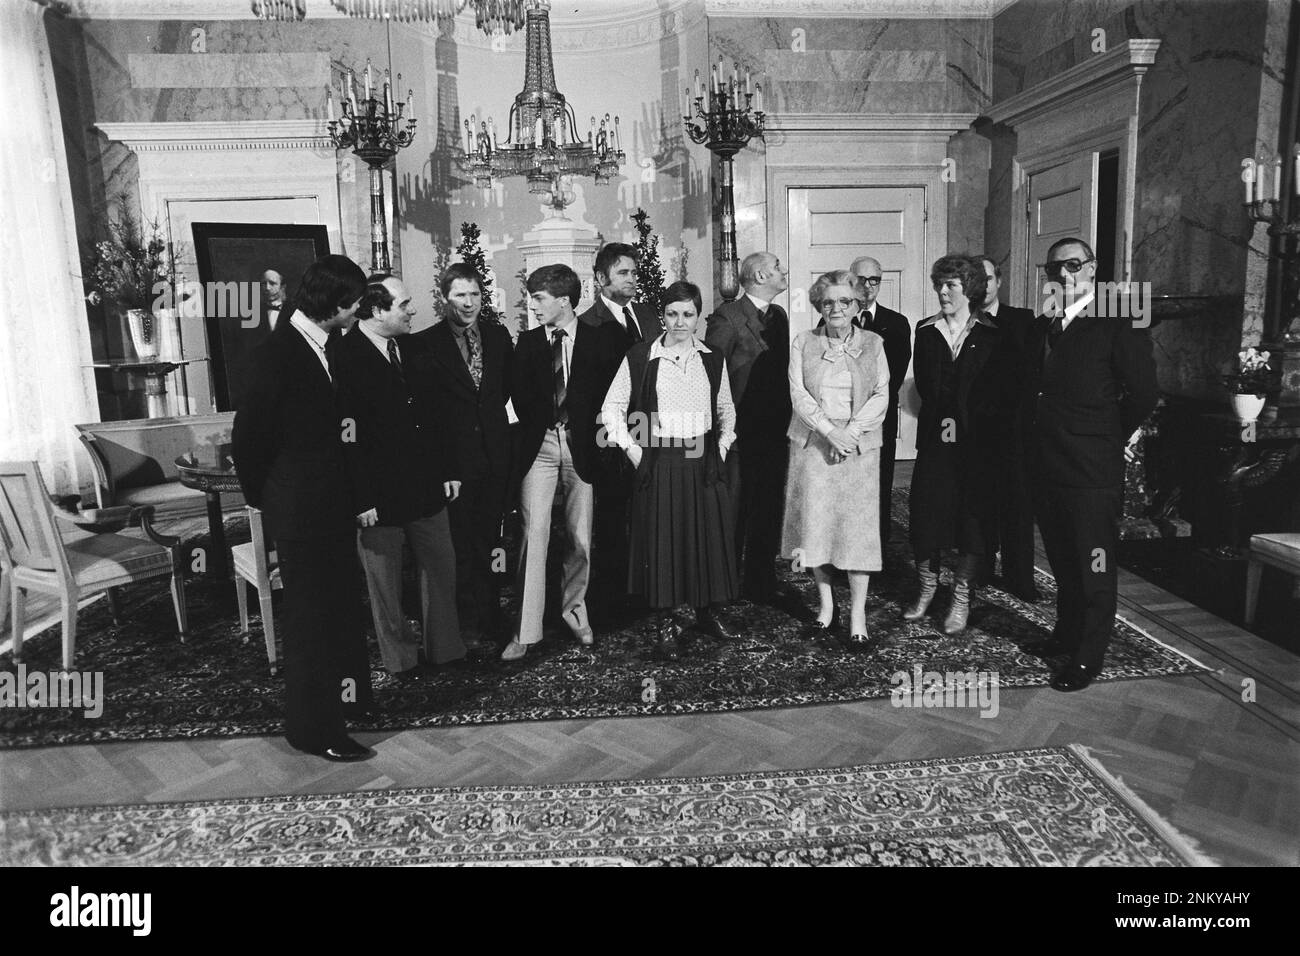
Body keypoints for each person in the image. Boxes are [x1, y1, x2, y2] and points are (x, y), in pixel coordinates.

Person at [231, 254, 374, 762]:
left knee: (339, 612)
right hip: (299, 510)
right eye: (354, 305)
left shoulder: (326, 344)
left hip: (329, 506)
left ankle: (351, 704)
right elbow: (247, 443)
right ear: (334, 305)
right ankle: (314, 731)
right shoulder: (277, 355)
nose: (359, 312)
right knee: (312, 622)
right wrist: (271, 499)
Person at [1023, 237, 1157, 691]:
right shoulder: (1046, 324)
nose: (1064, 275)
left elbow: (1143, 393)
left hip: (1091, 467)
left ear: (1093, 268)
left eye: (1074, 265)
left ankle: (1088, 654)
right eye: (1055, 268)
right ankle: (1065, 633)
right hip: (1047, 462)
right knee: (1062, 555)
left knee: (1094, 562)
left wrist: (1106, 436)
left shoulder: (1119, 319)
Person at [334, 274, 465, 681]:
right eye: (404, 304)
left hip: (427, 484)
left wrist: (448, 471)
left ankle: (445, 651)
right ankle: (401, 661)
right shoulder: (342, 356)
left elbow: (438, 416)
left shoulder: (415, 346)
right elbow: (345, 435)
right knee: (385, 586)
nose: (412, 310)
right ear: (376, 311)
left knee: (441, 567)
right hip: (377, 496)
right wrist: (360, 499)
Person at [601, 281, 739, 660]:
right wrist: (635, 453)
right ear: (662, 315)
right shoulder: (641, 356)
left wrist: (722, 447)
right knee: (663, 543)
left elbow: (726, 408)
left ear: (698, 317)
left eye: (688, 314)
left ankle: (707, 613)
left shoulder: (712, 357)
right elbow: (611, 409)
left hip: (704, 461)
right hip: (660, 461)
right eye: (673, 313)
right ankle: (665, 624)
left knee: (707, 539)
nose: (680, 322)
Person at [502, 264, 620, 661]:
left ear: (564, 300)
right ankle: (525, 630)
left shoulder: (602, 340)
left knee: (580, 537)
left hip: (585, 449)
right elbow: (518, 400)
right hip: (540, 449)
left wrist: (603, 446)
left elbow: (616, 400)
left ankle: (574, 613)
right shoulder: (528, 342)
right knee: (532, 534)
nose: (532, 305)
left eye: (538, 298)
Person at [906, 254, 1019, 637]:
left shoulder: (992, 333)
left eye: (951, 285)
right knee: (926, 512)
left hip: (978, 445)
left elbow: (999, 393)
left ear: (968, 289)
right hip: (938, 440)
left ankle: (961, 595)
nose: (942, 291)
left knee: (973, 520)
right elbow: (926, 387)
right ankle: (926, 587)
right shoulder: (925, 331)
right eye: (939, 284)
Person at [782, 270, 890, 650]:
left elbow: (881, 394)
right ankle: (826, 607)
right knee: (817, 528)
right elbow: (799, 395)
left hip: (858, 448)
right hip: (814, 445)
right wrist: (830, 432)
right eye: (828, 302)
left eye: (845, 301)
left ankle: (858, 614)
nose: (836, 308)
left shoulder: (874, 343)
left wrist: (850, 433)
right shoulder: (803, 342)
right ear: (819, 306)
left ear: (858, 305)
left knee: (857, 534)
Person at [415, 263, 513, 652]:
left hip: (494, 460)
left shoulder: (498, 336)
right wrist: (443, 468)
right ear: (444, 298)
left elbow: (504, 394)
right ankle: (465, 621)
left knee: (492, 543)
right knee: (460, 546)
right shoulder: (424, 343)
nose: (469, 303)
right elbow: (425, 416)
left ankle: (492, 614)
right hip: (454, 467)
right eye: (460, 295)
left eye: (474, 294)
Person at [704, 251, 798, 613]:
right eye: (778, 267)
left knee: (769, 509)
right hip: (740, 433)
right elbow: (712, 376)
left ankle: (761, 583)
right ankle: (724, 585)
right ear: (760, 275)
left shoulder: (780, 316)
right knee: (735, 512)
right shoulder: (727, 318)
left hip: (775, 432)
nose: (783, 270)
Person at [577, 242, 659, 615]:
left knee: (650, 511)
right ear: (600, 278)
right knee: (612, 515)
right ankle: (612, 601)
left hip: (652, 429)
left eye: (633, 272)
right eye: (623, 272)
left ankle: (650, 591)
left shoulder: (648, 314)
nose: (632, 278)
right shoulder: (586, 324)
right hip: (608, 433)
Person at [977, 254, 1040, 601]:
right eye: (976, 278)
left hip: (1015, 430)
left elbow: (1031, 376)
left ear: (999, 281)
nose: (983, 285)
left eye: (987, 277)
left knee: (1017, 506)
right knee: (980, 502)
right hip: (976, 430)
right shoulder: (960, 320)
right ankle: (982, 568)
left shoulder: (1024, 321)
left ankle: (1020, 577)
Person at [847, 256, 913, 556]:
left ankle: (878, 547)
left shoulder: (897, 323)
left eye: (874, 280)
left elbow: (894, 375)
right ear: (851, 280)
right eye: (862, 279)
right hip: (843, 418)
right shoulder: (834, 318)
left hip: (879, 417)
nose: (868, 286)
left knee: (879, 479)